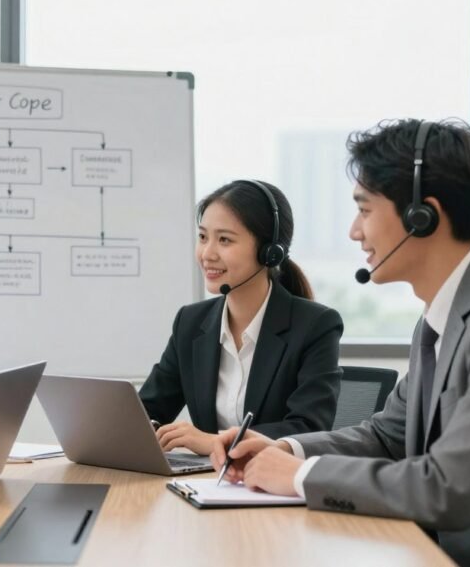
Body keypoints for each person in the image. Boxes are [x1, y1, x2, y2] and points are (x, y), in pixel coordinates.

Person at [212, 119, 470, 566]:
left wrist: (300, 476)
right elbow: (387, 436)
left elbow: (450, 488)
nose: (355, 231)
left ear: (422, 216)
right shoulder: (443, 314)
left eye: (365, 210)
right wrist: (286, 449)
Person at [139, 179, 344, 455]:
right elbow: (148, 411)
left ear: (269, 252)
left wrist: (215, 442)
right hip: (207, 484)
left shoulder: (316, 326)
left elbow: (308, 428)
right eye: (203, 237)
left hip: (274, 486)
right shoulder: (190, 323)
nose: (207, 253)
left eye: (224, 240)